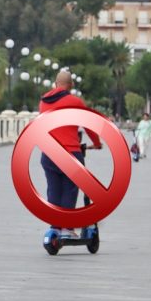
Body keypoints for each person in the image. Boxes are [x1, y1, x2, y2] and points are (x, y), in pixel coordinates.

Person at [39, 70, 101, 238]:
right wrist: (97, 143)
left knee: (53, 189)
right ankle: (67, 228)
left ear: (55, 83)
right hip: (70, 152)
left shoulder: (43, 101)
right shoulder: (75, 102)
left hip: (49, 153)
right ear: (71, 85)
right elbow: (89, 125)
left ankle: (55, 227)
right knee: (70, 189)